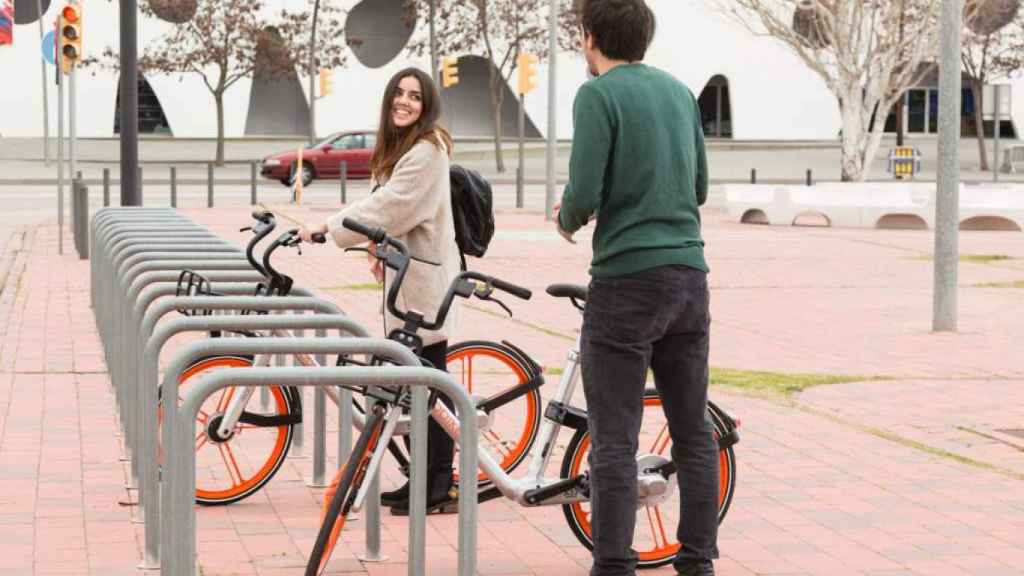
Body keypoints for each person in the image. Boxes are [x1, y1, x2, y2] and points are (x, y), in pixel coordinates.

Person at [555, 1, 718, 575]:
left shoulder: (596, 94)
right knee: (692, 430)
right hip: (689, 278)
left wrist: (566, 219)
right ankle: (697, 561)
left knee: (616, 438)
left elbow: (582, 190)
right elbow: (698, 187)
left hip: (626, 281)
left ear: (590, 36)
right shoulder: (678, 92)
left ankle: (614, 565)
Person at [300, 67, 461, 515]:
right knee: (417, 381)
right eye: (399, 95)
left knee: (428, 380)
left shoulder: (427, 151)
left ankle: (439, 482)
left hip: (424, 284)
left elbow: (390, 207)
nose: (405, 102)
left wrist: (329, 229)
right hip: (407, 279)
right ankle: (423, 478)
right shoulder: (404, 149)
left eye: (414, 96)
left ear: (426, 106)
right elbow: (386, 209)